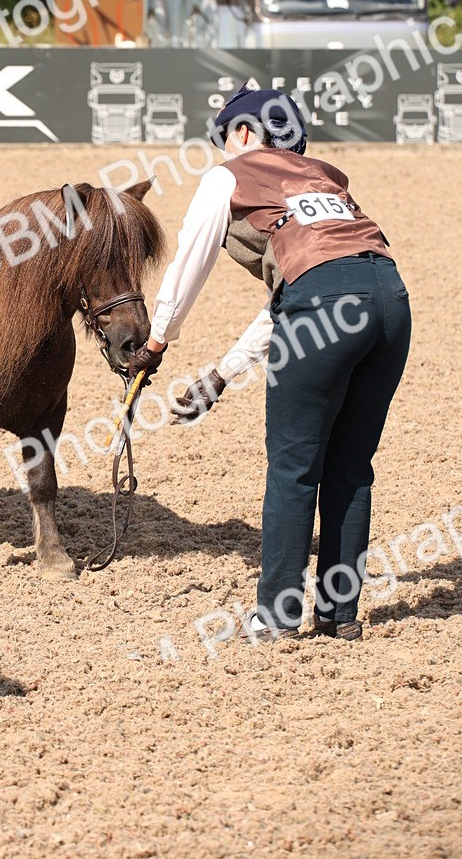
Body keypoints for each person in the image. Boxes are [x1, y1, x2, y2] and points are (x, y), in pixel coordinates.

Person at [128, 85, 411, 643]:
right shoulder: (324, 178)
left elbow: (191, 260)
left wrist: (159, 339)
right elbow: (300, 295)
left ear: (242, 133)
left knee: (293, 467)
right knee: (350, 467)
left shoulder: (229, 175)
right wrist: (224, 373)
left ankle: (276, 617)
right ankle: (339, 615)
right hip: (391, 302)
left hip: (326, 304)